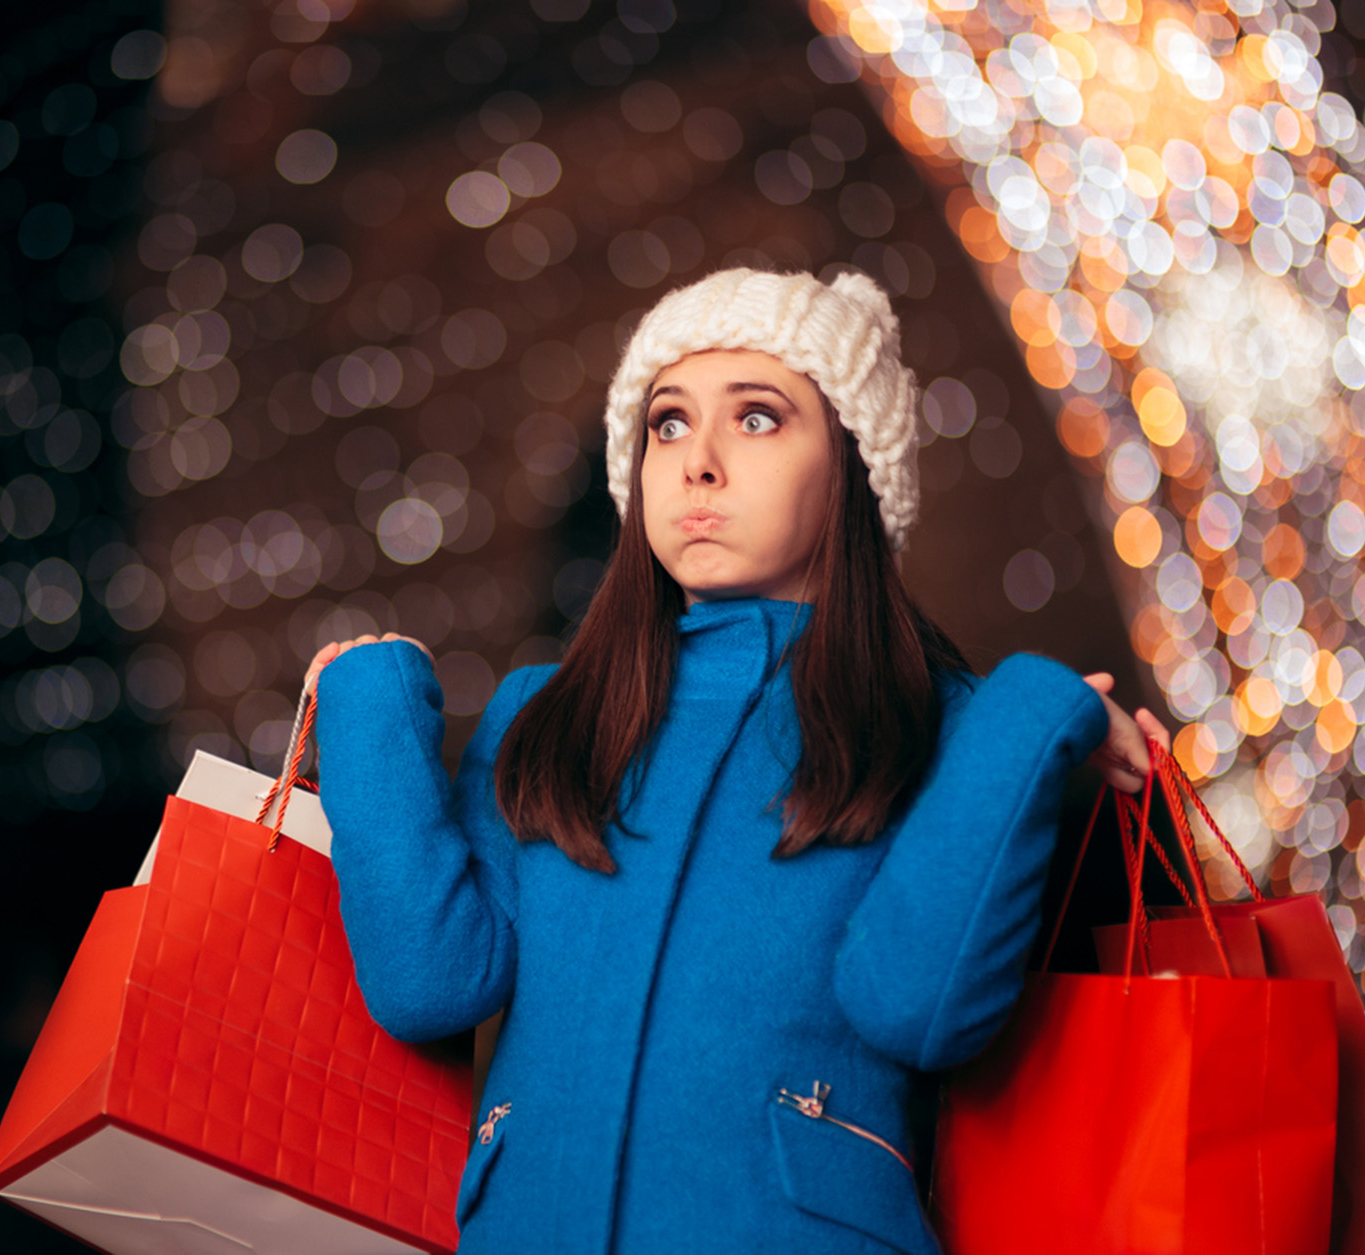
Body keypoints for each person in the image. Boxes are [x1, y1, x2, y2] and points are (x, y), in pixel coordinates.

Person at [307, 267, 1170, 1254]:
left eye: (757, 418)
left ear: (853, 465)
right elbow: (432, 982)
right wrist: (371, 703)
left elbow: (918, 1010)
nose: (697, 463)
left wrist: (1031, 713)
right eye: (667, 424)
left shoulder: (941, 725)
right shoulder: (546, 716)